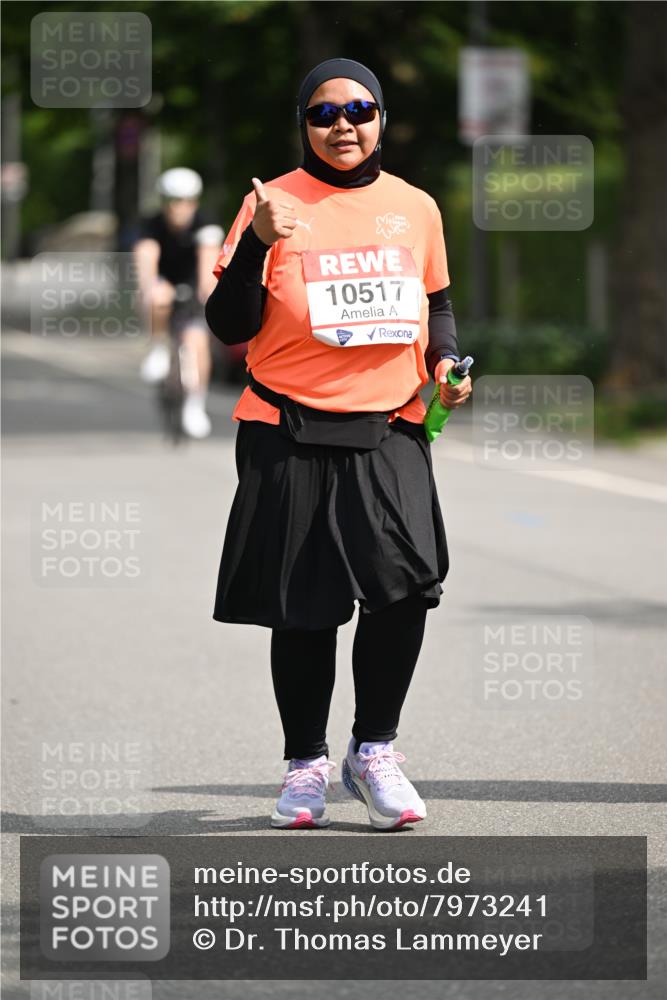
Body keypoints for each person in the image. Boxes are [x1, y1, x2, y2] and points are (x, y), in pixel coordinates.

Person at [205, 58, 472, 831]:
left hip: (389, 423)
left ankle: (374, 750)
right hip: (284, 425)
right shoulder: (272, 204)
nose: (343, 126)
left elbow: (437, 305)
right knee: (304, 605)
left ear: (380, 118)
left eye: (358, 110)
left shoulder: (414, 208)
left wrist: (445, 364)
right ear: (304, 124)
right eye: (324, 114)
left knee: (405, 585)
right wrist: (257, 244)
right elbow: (229, 326)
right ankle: (305, 765)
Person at [135, 167, 223, 439]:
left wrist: (207, 298)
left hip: (193, 285)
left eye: (185, 201)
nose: (179, 208)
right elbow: (146, 256)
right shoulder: (152, 224)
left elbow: (207, 265)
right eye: (172, 201)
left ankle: (195, 404)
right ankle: (158, 346)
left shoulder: (206, 224)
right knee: (157, 294)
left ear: (194, 202)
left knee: (197, 343)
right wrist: (147, 287)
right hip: (165, 284)